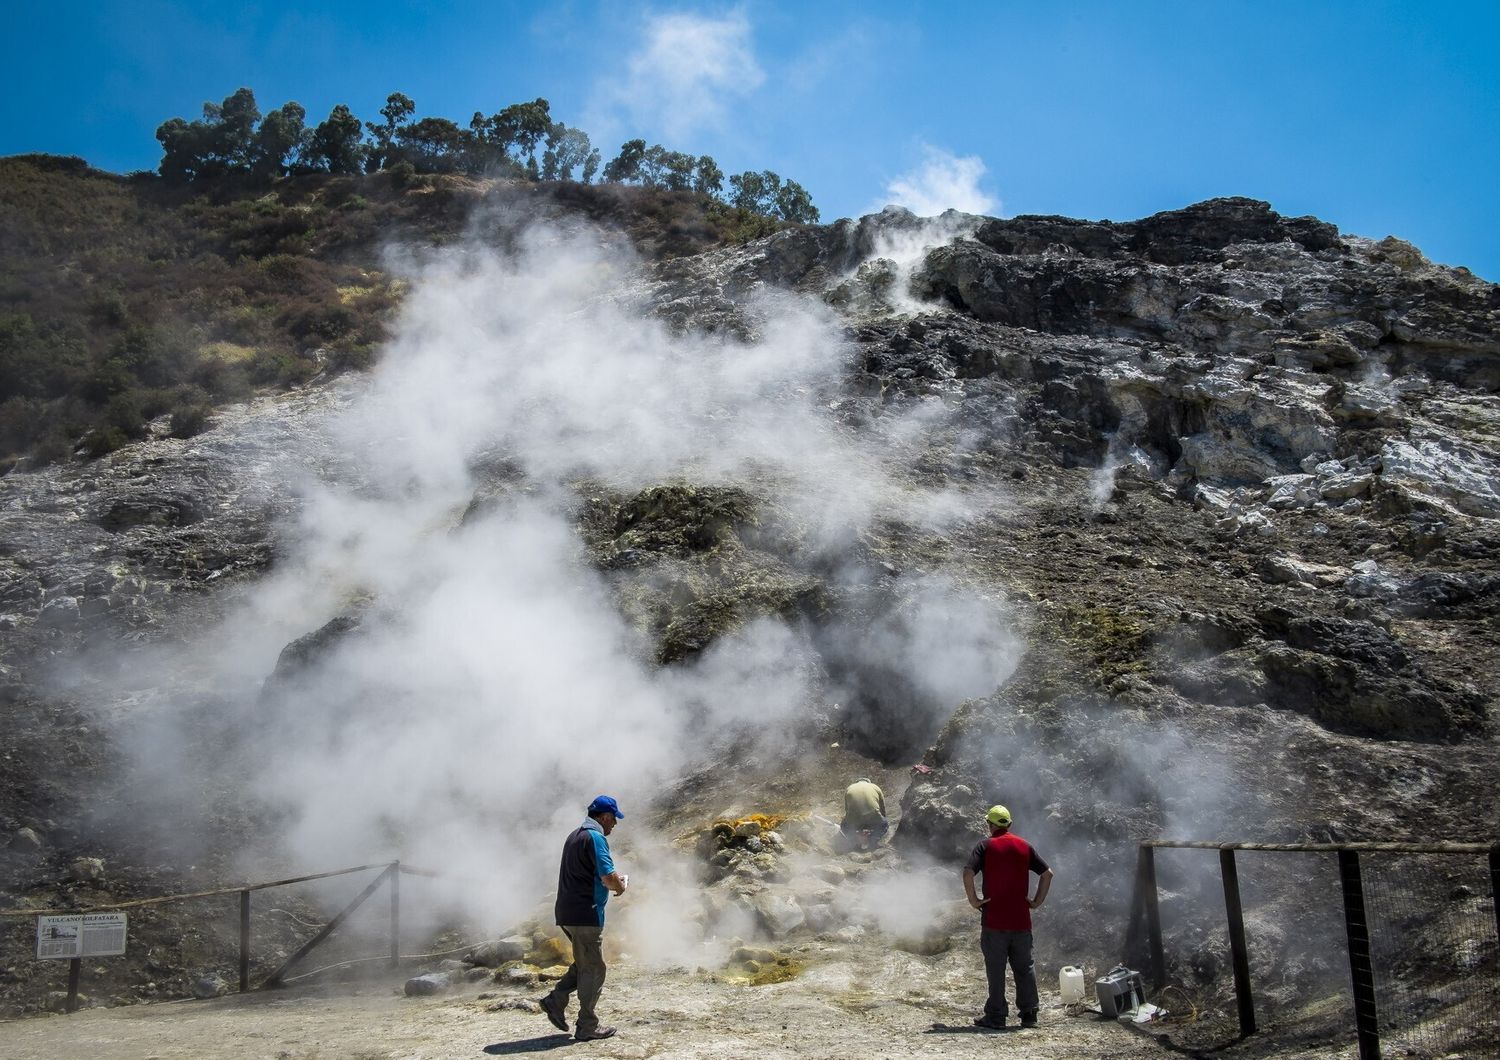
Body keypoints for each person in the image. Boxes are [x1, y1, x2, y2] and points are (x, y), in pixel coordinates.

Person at [540, 795, 628, 1042]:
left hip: (567, 912)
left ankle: (555, 1001)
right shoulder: (596, 838)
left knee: (583, 962)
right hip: (585, 913)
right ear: (604, 817)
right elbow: (608, 876)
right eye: (613, 819)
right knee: (594, 968)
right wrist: (620, 887)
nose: (614, 825)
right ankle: (587, 1025)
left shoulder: (574, 836)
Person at [962, 804, 1053, 1030]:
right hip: (1021, 921)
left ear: (990, 825)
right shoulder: (1024, 846)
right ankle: (1029, 1014)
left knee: (996, 969)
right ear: (1009, 824)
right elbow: (1047, 873)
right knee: (1025, 967)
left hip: (994, 921)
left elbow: (967, 872)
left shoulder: (985, 846)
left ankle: (996, 1016)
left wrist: (974, 901)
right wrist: (1036, 901)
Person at [840, 778, 888, 850]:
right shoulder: (875, 787)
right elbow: (882, 807)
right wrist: (881, 821)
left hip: (855, 819)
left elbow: (847, 809)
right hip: (872, 816)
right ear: (869, 782)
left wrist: (849, 821)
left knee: (844, 825)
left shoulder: (849, 788)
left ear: (857, 782)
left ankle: (855, 842)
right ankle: (873, 841)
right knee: (884, 824)